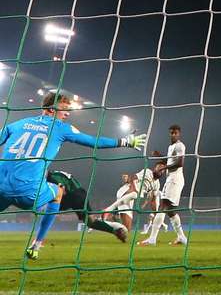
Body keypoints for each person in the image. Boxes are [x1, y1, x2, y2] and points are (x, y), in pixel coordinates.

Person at [0, 92, 146, 259]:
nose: (67, 113)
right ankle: (36, 245)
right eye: (63, 109)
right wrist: (125, 141)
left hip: (1, 187)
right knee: (58, 193)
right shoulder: (61, 128)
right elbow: (94, 142)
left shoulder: (18, 123)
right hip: (27, 192)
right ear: (50, 109)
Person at [28, 170, 128, 259]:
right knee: (90, 222)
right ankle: (116, 230)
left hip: (73, 195)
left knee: (49, 208)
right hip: (79, 193)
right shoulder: (55, 174)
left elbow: (62, 190)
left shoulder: (53, 178)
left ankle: (38, 241)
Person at [138, 125, 187, 246]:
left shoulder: (180, 146)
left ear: (179, 134)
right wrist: (159, 155)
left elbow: (180, 163)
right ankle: (182, 237)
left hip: (175, 179)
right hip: (172, 179)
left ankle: (152, 239)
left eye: (175, 133)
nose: (173, 135)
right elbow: (170, 161)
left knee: (162, 207)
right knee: (171, 211)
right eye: (172, 133)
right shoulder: (171, 147)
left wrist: (164, 167)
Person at [103, 162, 166, 231]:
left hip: (131, 199)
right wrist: (134, 189)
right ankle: (108, 210)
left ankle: (101, 222)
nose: (161, 170)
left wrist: (155, 214)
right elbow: (133, 177)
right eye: (159, 167)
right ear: (155, 168)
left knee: (126, 229)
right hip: (125, 191)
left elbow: (153, 201)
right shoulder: (148, 172)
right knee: (135, 194)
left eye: (163, 169)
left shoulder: (157, 184)